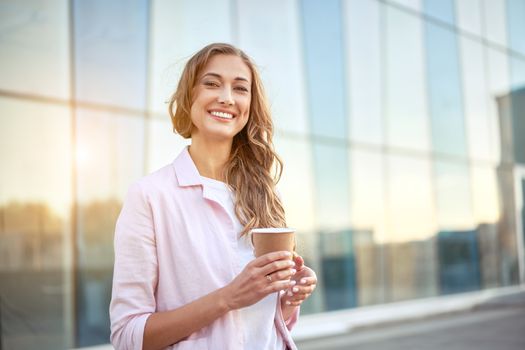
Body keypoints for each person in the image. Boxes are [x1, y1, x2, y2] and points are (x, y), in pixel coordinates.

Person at [110, 43, 317, 350]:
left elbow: (264, 328)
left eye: (240, 88)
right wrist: (228, 297)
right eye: (211, 83)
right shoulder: (150, 196)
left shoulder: (263, 193)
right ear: (189, 95)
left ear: (250, 104)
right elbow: (128, 336)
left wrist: (287, 298)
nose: (227, 98)